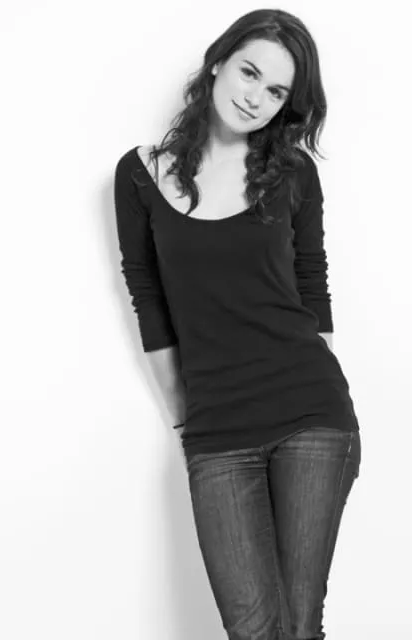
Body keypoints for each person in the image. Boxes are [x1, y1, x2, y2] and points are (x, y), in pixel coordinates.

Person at [113, 8, 361, 640]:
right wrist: (184, 419)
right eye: (250, 73)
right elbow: (150, 302)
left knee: (298, 626)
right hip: (217, 430)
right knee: (253, 629)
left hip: (311, 414)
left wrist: (324, 384)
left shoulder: (294, 173)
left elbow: (312, 288)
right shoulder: (140, 175)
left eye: (276, 92)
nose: (256, 98)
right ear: (218, 62)